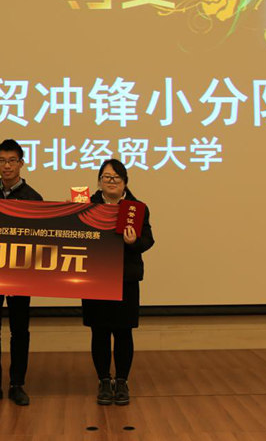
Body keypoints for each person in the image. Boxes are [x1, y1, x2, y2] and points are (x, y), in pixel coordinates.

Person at [0, 139, 43, 407]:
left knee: (19, 331)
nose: (7, 166)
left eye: (12, 161)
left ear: (21, 163)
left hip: (20, 275)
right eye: (2, 160)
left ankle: (16, 384)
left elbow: (41, 238)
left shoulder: (33, 197)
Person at [82, 159, 154, 406]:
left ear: (125, 182)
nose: (111, 182)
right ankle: (104, 380)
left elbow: (148, 240)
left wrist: (134, 242)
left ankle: (121, 380)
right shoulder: (87, 206)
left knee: (123, 331)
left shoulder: (137, 208)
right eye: (106, 177)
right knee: (99, 331)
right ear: (99, 181)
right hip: (96, 277)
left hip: (126, 278)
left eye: (116, 178)